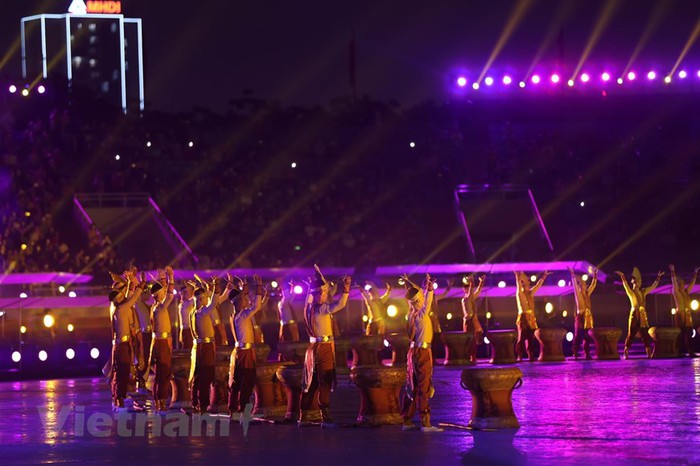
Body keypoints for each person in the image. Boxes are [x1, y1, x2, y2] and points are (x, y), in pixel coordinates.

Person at [299, 264, 351, 428]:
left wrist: (317, 278)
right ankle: (325, 416)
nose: (326, 294)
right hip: (324, 349)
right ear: (317, 294)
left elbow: (313, 293)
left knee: (311, 382)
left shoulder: (307, 307)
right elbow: (340, 305)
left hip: (312, 349)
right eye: (324, 292)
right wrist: (346, 288)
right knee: (325, 381)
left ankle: (304, 416)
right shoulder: (321, 309)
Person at [400, 273, 442, 432]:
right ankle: (426, 423)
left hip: (413, 351)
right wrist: (429, 289)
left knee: (413, 385)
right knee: (423, 385)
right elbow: (427, 301)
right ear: (419, 301)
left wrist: (409, 283)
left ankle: (407, 421)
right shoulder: (420, 314)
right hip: (422, 352)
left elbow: (415, 293)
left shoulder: (410, 313)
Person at [188, 277, 229, 414]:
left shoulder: (192, 312)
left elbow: (213, 302)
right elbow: (213, 303)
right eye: (205, 298)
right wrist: (216, 285)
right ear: (200, 300)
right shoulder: (201, 312)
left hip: (200, 347)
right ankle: (203, 406)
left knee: (198, 376)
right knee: (205, 376)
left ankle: (195, 403)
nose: (207, 300)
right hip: (205, 348)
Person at [108, 268, 146, 412]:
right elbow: (133, 298)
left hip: (122, 344)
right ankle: (119, 399)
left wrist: (131, 281)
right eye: (120, 293)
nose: (122, 294)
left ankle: (119, 398)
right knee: (122, 371)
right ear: (117, 297)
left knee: (121, 371)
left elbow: (130, 296)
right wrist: (141, 285)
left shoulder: (118, 307)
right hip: (122, 345)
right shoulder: (121, 308)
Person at [228, 275, 264, 419]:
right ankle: (243, 410)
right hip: (244, 353)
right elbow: (257, 306)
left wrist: (245, 288)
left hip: (239, 352)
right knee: (246, 381)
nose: (246, 300)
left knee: (237, 381)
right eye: (243, 299)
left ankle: (234, 410)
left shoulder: (235, 315)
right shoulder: (242, 315)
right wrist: (259, 288)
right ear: (237, 302)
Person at [614, 268, 663, 359]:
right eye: (637, 281)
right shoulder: (631, 292)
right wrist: (622, 276)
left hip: (643, 315)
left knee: (644, 333)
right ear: (633, 282)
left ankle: (648, 353)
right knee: (631, 333)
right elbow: (625, 286)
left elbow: (653, 286)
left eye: (639, 281)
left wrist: (658, 277)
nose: (638, 283)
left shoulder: (643, 292)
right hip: (634, 315)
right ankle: (626, 351)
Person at [149, 266, 175, 412]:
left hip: (158, 342)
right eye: (162, 293)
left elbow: (164, 290)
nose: (164, 293)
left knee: (159, 374)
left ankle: (158, 401)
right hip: (162, 343)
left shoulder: (155, 306)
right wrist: (170, 276)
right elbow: (170, 295)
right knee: (163, 373)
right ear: (159, 295)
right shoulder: (160, 307)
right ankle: (162, 401)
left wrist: (162, 277)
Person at [514, 270, 551, 362]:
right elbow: (518, 286)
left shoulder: (530, 293)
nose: (529, 283)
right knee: (521, 337)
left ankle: (531, 355)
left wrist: (543, 277)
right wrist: (517, 278)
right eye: (527, 282)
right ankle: (520, 356)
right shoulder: (520, 293)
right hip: (523, 317)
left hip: (531, 317)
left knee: (530, 338)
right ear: (523, 284)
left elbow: (538, 285)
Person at [568, 267, 598, 360]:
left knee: (587, 336)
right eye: (582, 284)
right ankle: (575, 352)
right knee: (578, 336)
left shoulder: (587, 294)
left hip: (588, 317)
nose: (584, 285)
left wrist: (595, 275)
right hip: (580, 317)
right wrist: (573, 275)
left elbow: (593, 285)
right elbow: (575, 286)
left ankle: (587, 353)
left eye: (584, 284)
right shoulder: (578, 294)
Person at [669, 264, 698, 357]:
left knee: (689, 335)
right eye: (679, 283)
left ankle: (690, 352)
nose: (681, 285)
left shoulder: (686, 292)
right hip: (680, 316)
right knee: (680, 335)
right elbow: (673, 282)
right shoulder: (676, 292)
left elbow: (692, 284)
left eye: (682, 283)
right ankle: (678, 352)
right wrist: (673, 271)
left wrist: (695, 273)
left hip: (688, 316)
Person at [461, 275, 485, 363]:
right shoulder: (465, 299)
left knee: (474, 339)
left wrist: (481, 282)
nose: (468, 289)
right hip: (467, 320)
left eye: (469, 288)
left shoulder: (471, 297)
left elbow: (478, 290)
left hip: (472, 319)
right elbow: (470, 294)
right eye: (466, 288)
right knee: (468, 339)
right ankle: (468, 356)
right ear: (464, 290)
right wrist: (471, 283)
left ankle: (473, 357)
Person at [178, 282, 195, 350]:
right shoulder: (181, 305)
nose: (183, 294)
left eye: (185, 292)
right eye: (182, 293)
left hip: (189, 329)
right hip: (184, 330)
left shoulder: (190, 302)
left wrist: (193, 286)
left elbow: (195, 298)